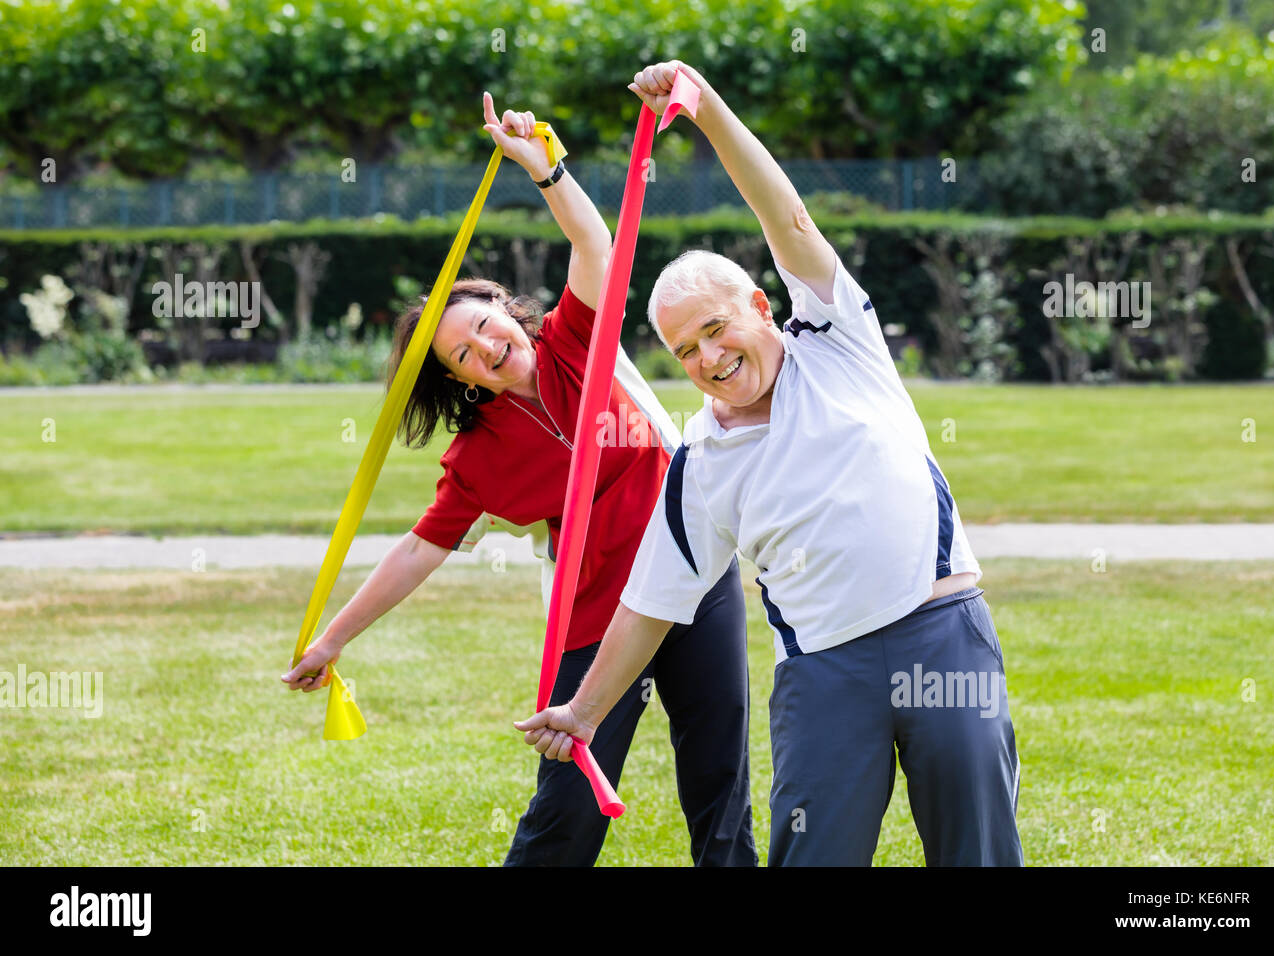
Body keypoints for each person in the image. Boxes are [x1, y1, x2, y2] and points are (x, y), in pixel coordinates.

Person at [515, 61, 1023, 866]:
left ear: (761, 306)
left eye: (717, 328)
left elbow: (784, 218)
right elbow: (650, 604)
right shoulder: (701, 461)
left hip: (941, 636)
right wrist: (582, 712)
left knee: (979, 851)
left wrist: (707, 108)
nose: (711, 357)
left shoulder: (837, 340)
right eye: (687, 350)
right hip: (824, 673)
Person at [284, 91, 757, 867]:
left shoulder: (578, 338)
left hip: (696, 575)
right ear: (462, 381)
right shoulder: (476, 460)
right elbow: (417, 550)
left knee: (718, 779)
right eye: (462, 356)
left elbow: (595, 241)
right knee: (568, 800)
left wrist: (546, 170)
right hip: (598, 611)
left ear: (507, 310)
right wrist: (331, 641)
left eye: (482, 326)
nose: (483, 349)